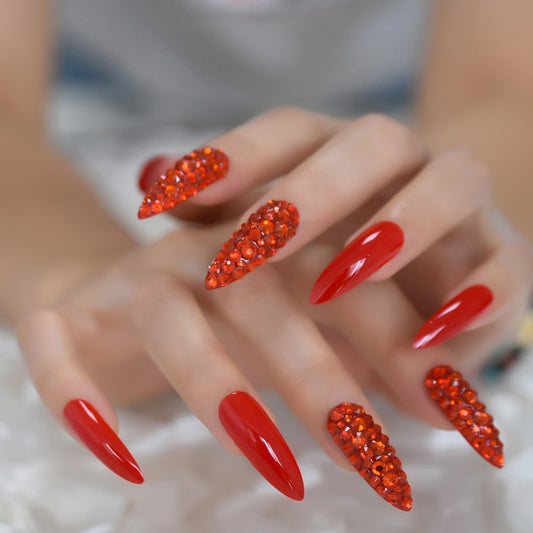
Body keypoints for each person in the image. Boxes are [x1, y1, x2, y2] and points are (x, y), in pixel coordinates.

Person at [2, 0, 532, 512]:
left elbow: (499, 89)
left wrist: (453, 234)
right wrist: (79, 276)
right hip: (89, 122)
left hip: (401, 128)